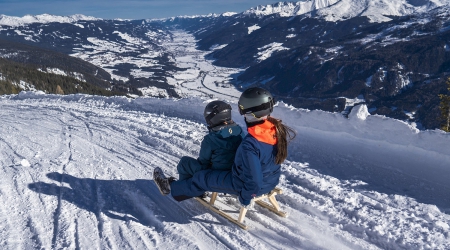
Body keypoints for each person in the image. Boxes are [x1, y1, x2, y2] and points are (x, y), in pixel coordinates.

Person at [154, 87, 296, 207]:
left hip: (242, 183)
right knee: (206, 175)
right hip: (271, 181)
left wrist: (246, 198)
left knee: (201, 177)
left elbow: (254, 180)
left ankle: (171, 188)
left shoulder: (250, 145)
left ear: (249, 114)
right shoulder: (275, 130)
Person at [153, 100, 243, 195]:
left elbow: (203, 162)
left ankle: (187, 188)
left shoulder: (210, 139)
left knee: (185, 162)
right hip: (236, 173)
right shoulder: (240, 132)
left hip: (216, 176)